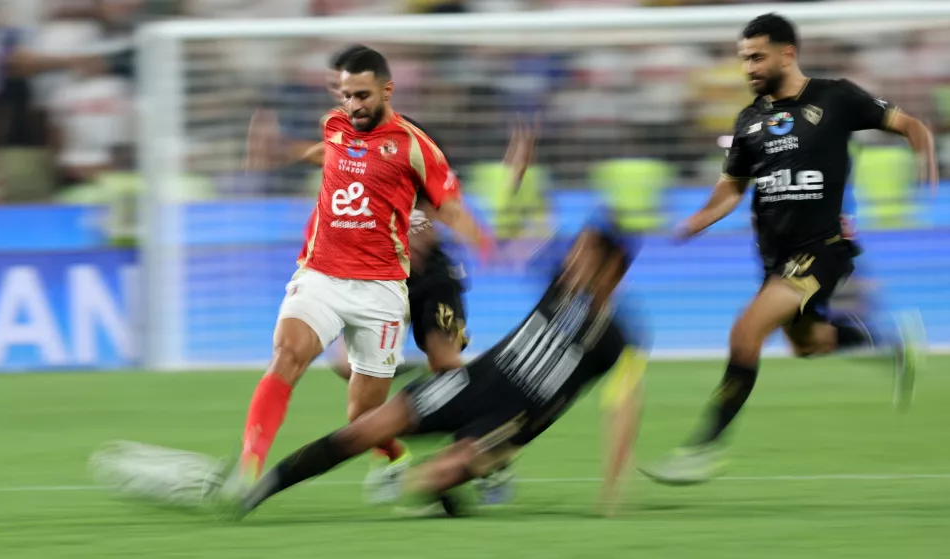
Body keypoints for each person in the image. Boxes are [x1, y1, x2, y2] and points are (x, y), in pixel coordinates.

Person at [640, 13, 935, 486]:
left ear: (787, 53)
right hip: (776, 258)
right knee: (809, 345)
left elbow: (908, 124)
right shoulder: (748, 121)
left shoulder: (836, 96)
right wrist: (697, 219)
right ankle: (890, 344)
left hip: (824, 247)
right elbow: (731, 190)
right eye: (743, 59)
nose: (748, 68)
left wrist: (926, 155)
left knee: (746, 331)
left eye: (757, 56)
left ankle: (703, 449)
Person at [245, 44, 536, 504]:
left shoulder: (415, 146)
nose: (350, 103)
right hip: (369, 276)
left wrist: (483, 239)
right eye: (342, 93)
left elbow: (450, 205)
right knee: (349, 378)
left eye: (359, 94)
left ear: (385, 91)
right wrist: (280, 151)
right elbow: (326, 152)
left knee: (446, 367)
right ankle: (392, 456)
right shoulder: (340, 130)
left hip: (428, 276)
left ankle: (483, 456)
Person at [214, 217, 649, 519]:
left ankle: (453, 483)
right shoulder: (562, 280)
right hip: (470, 383)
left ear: (611, 268)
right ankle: (259, 489)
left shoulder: (618, 337)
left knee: (425, 481)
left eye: (584, 253)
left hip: (510, 422)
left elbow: (625, 409)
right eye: (575, 250)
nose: (572, 258)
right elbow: (514, 237)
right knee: (360, 431)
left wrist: (613, 489)